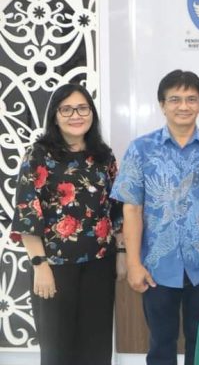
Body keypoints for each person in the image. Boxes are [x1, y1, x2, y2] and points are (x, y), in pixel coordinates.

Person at [111, 70, 199, 365]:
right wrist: (133, 263)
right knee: (161, 343)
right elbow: (132, 209)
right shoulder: (141, 149)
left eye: (191, 99)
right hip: (156, 266)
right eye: (175, 99)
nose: (184, 106)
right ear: (162, 104)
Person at [11, 83, 125, 365]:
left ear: (92, 113)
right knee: (58, 352)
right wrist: (40, 265)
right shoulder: (38, 155)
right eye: (67, 109)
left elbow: (117, 210)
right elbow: (28, 212)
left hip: (100, 264)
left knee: (96, 350)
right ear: (55, 115)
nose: (76, 115)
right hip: (54, 267)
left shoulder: (103, 156)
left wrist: (122, 253)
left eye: (83, 108)